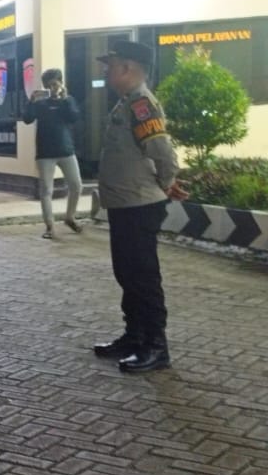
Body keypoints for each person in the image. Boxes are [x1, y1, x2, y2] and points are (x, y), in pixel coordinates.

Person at [92, 40, 186, 374]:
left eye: (111, 65)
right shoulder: (127, 103)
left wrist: (166, 181)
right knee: (127, 273)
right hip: (125, 203)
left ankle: (155, 347)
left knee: (142, 276)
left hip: (138, 204)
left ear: (127, 68)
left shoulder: (142, 104)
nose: (107, 70)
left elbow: (160, 149)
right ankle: (133, 336)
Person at [23, 69, 83, 239]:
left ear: (61, 83)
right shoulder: (40, 104)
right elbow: (27, 119)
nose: (52, 87)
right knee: (46, 190)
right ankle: (49, 226)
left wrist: (65, 98)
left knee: (76, 185)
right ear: (44, 86)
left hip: (66, 150)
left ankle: (70, 217)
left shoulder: (67, 101)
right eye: (48, 84)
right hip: (45, 153)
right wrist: (31, 101)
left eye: (55, 83)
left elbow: (74, 117)